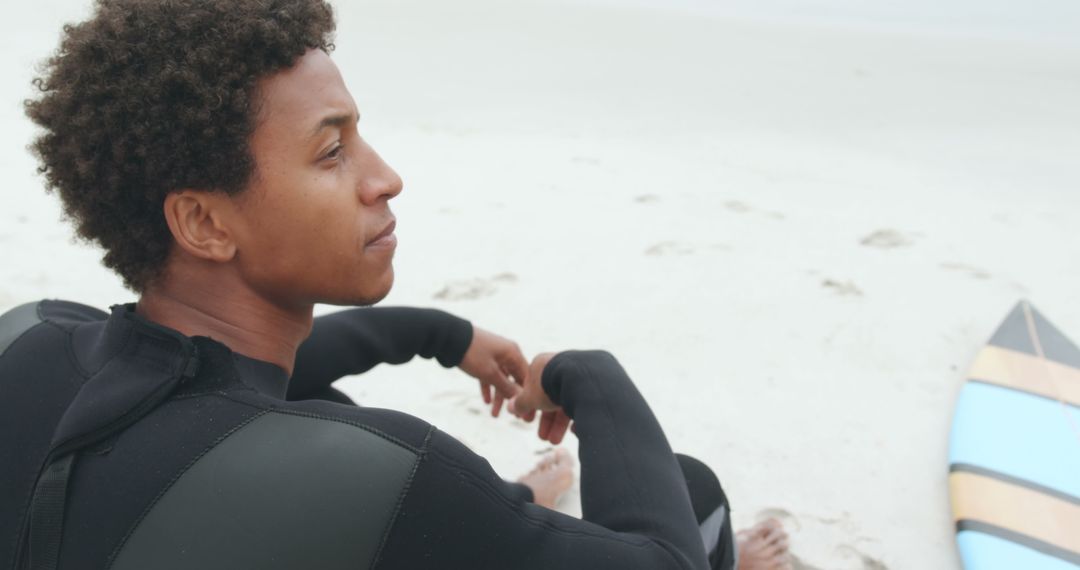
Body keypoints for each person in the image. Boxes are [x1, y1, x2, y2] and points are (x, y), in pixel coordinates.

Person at [0, 0, 792, 568]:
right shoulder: (386, 476)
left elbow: (216, 380)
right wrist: (584, 377)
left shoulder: (29, 336)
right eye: (330, 152)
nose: (386, 178)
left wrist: (443, 339)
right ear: (205, 223)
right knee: (689, 497)